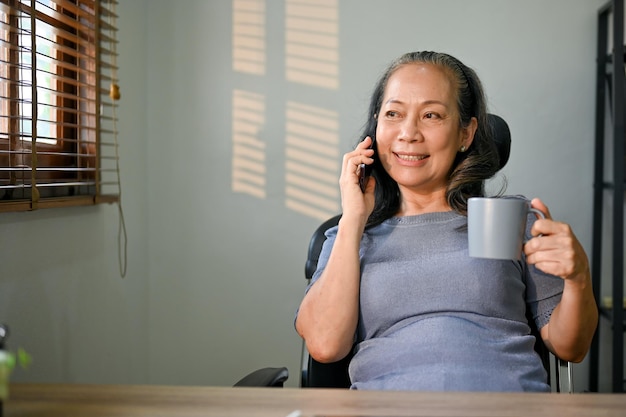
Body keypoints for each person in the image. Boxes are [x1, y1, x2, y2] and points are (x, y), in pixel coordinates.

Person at [294, 51, 598, 392]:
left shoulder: (513, 220)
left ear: (466, 133)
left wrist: (579, 278)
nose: (408, 133)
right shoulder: (348, 236)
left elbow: (571, 346)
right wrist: (354, 218)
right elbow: (324, 345)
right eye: (393, 113)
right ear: (376, 126)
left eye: (431, 115)